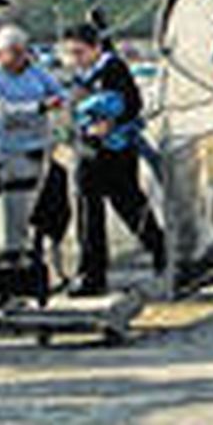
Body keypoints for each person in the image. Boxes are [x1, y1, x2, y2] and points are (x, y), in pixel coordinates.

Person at [63, 22, 164, 297]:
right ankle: (92, 274)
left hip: (114, 152)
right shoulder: (81, 75)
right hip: (88, 152)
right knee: (88, 214)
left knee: (130, 204)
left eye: (80, 53)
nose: (75, 59)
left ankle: (162, 254)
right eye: (71, 54)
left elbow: (133, 103)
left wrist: (112, 121)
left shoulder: (113, 69)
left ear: (96, 48)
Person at [0, 24, 65, 257]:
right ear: (1, 53)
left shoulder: (37, 72)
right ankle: (16, 250)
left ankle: (44, 251)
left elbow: (60, 94)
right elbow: (1, 111)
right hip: (12, 150)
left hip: (41, 145)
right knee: (16, 205)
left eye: (22, 51)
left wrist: (49, 104)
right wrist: (37, 107)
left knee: (45, 204)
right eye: (14, 52)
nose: (21, 56)